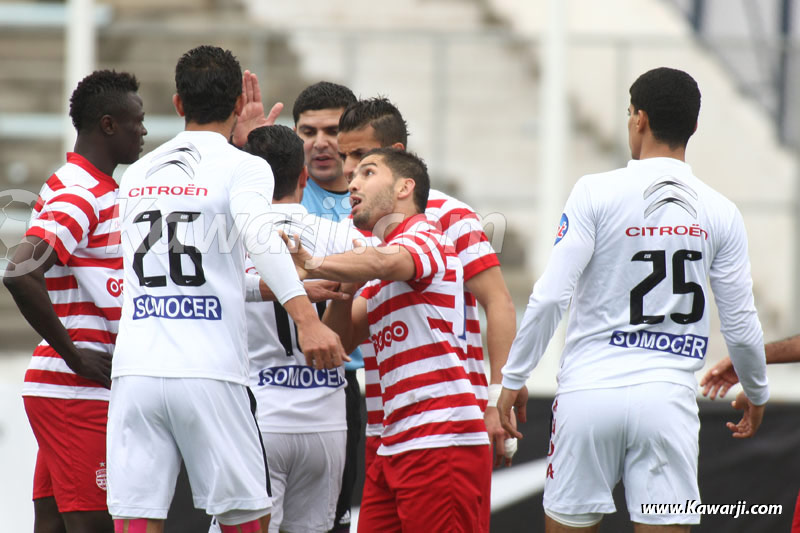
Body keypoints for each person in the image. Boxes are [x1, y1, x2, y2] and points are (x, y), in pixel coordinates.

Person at [496, 67, 769, 533]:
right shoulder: (721, 211)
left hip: (588, 395)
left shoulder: (593, 191)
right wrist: (757, 391)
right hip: (667, 400)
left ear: (639, 119)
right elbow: (742, 324)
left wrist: (514, 376)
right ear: (694, 127)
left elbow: (549, 297)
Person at [107, 45, 345, 533]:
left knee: (137, 518)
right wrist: (306, 321)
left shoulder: (136, 173)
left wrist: (267, 291)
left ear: (177, 104)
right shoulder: (245, 167)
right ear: (240, 103)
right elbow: (261, 238)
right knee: (244, 515)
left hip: (136, 371)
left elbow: (192, 268)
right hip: (208, 370)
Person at [283, 147, 492, 533]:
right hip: (392, 442)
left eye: (367, 171)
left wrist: (314, 263)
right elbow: (339, 343)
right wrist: (345, 287)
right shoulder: (376, 266)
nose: (352, 180)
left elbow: (387, 262)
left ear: (404, 188)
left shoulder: (425, 233)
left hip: (439, 437)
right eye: (353, 174)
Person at [336, 96, 520, 468]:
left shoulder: (449, 214)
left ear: (396, 154)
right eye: (345, 158)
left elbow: (498, 301)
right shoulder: (354, 227)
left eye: (360, 157)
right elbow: (345, 339)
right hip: (384, 426)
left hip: (447, 423)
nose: (348, 169)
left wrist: (498, 397)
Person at [3, 69, 146, 533]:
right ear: (108, 125)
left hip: (64, 389)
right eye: (136, 122)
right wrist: (75, 355)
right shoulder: (81, 191)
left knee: (53, 524)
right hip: (75, 392)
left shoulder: (94, 186)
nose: (144, 131)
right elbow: (20, 271)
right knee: (98, 525)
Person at [236, 124, 374, 533]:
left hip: (258, 419)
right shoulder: (344, 236)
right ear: (303, 177)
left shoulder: (229, 240)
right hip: (326, 423)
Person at [291, 81, 362, 532]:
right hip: (263, 380)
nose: (319, 142)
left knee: (331, 521)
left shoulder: (376, 203)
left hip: (342, 380)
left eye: (332, 130)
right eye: (307, 131)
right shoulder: (273, 193)